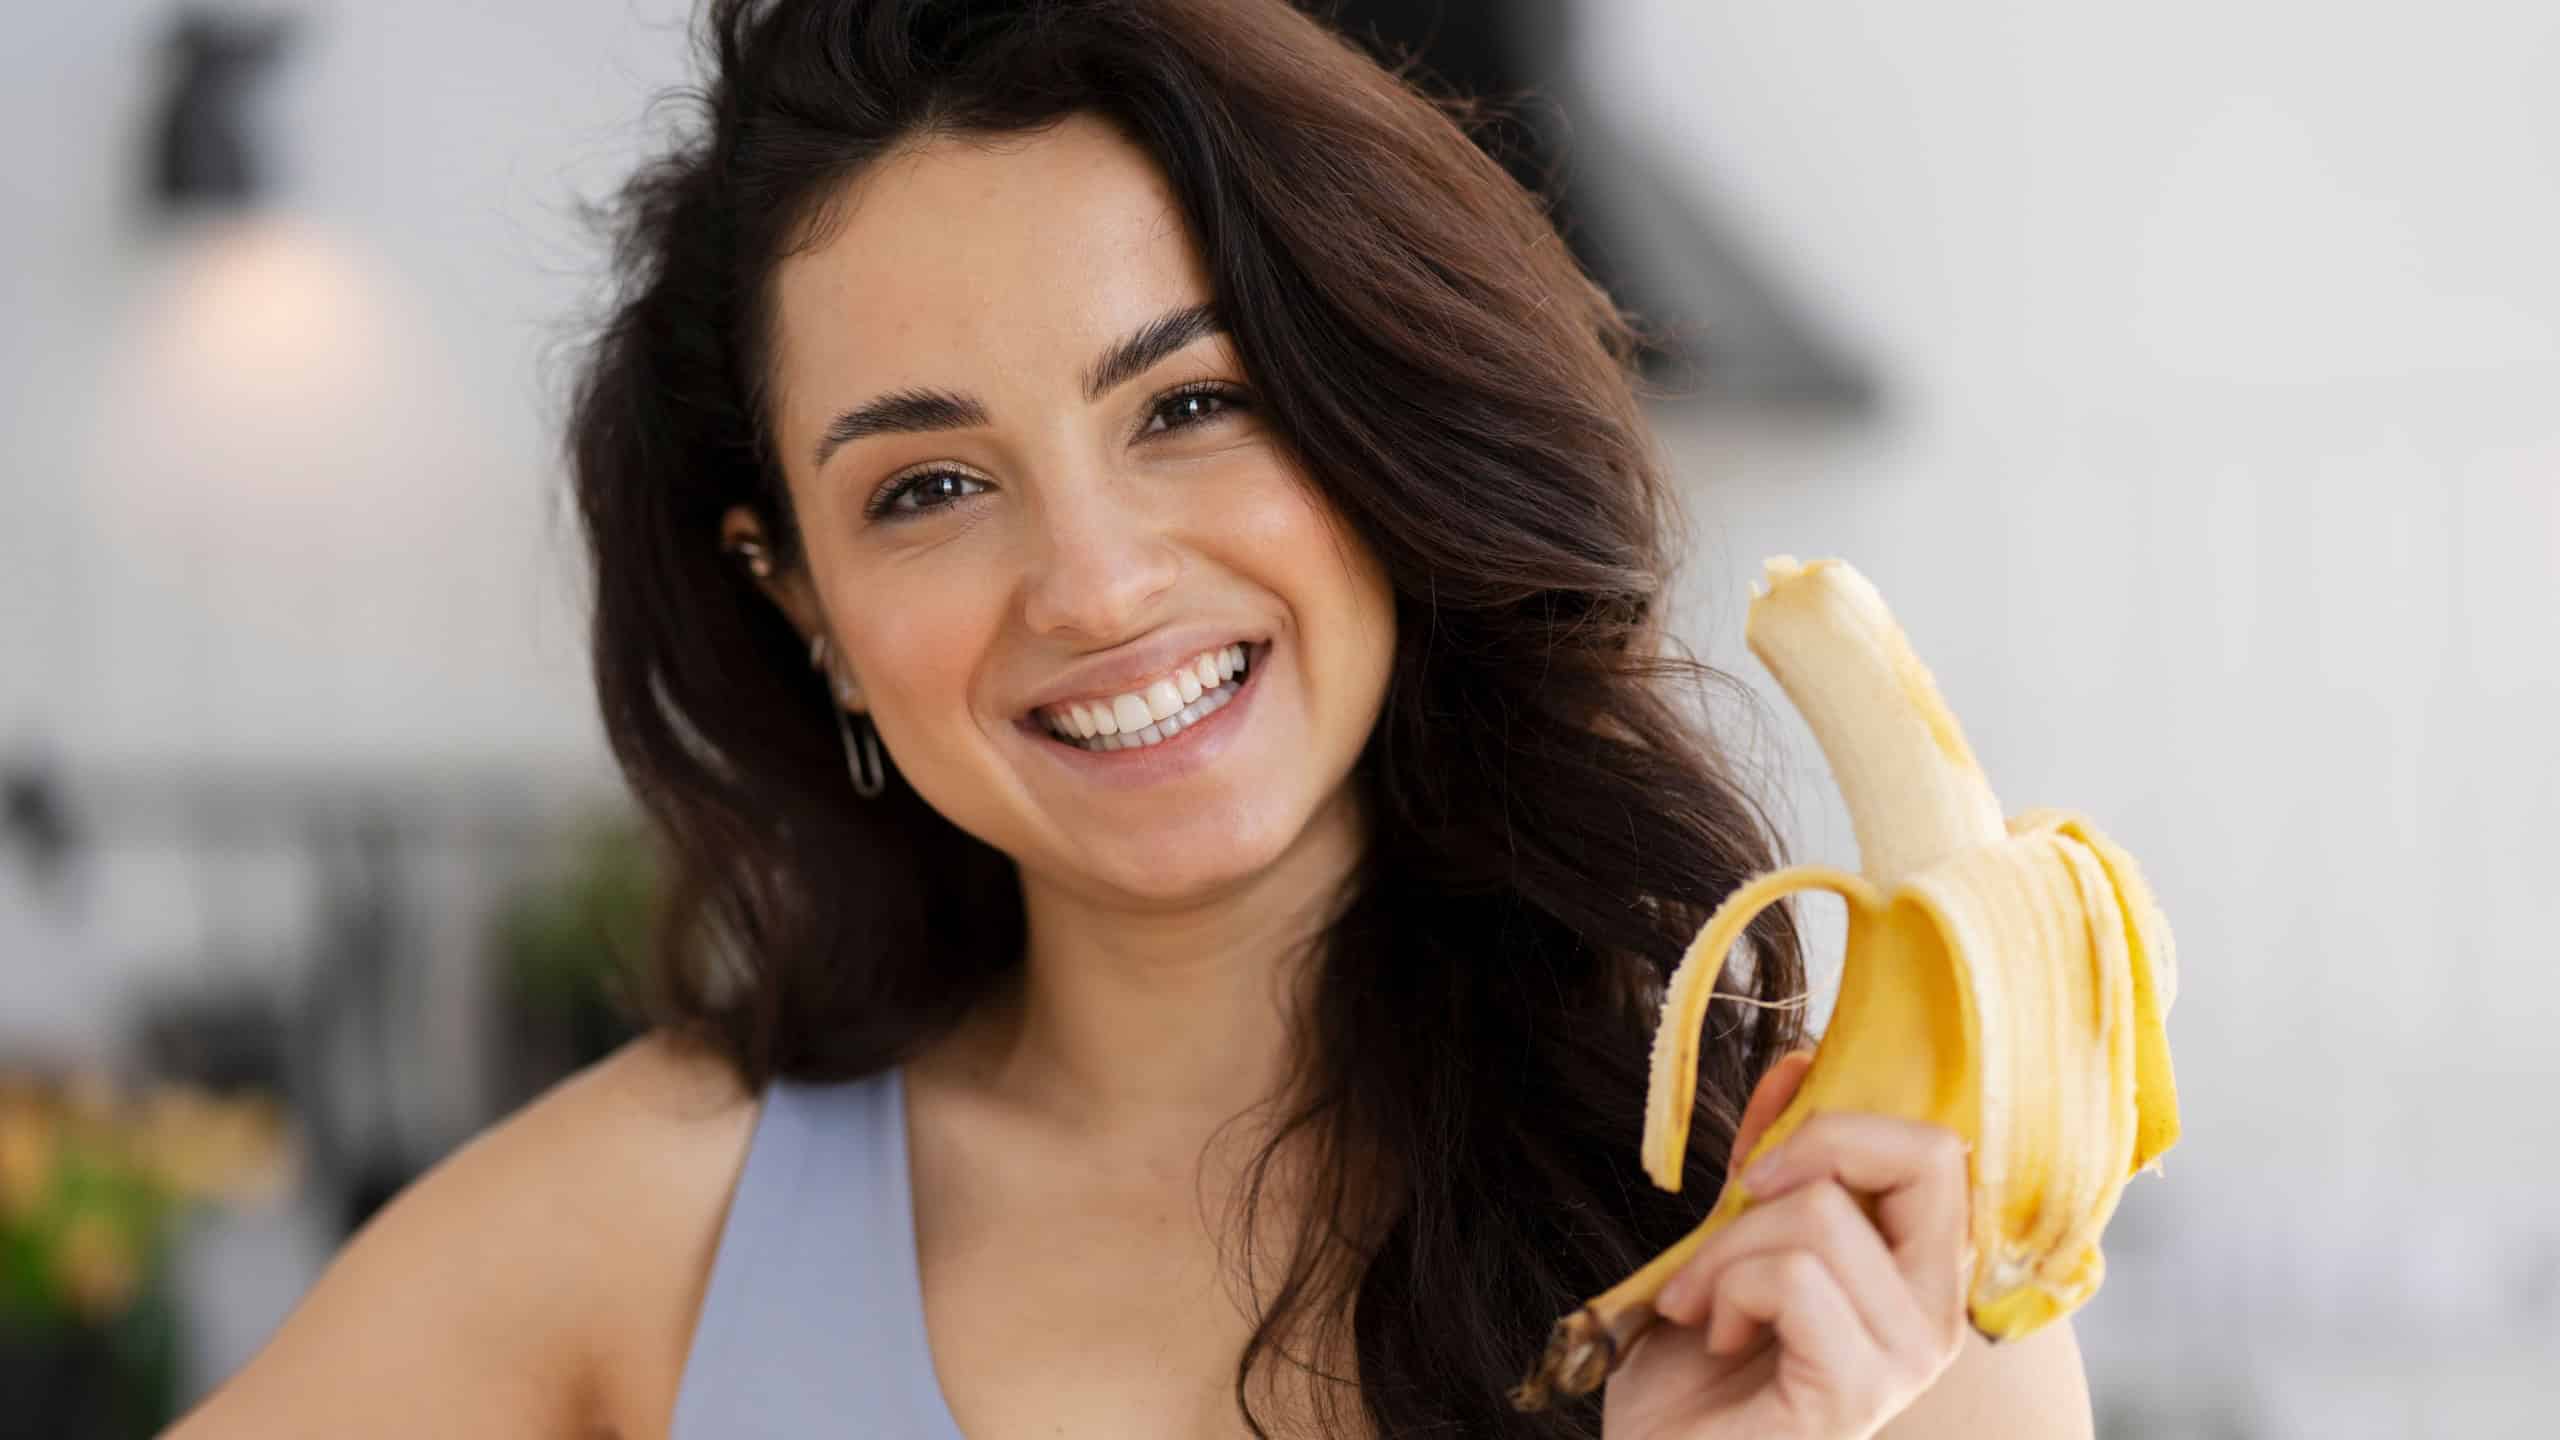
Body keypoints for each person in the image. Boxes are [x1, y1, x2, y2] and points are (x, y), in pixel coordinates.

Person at [168, 2, 2094, 1436]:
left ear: (1373, 437)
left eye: (1189, 407)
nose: (1092, 585)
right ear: (803, 606)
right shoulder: (641, 1225)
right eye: (925, 487)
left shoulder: (1858, 1277)